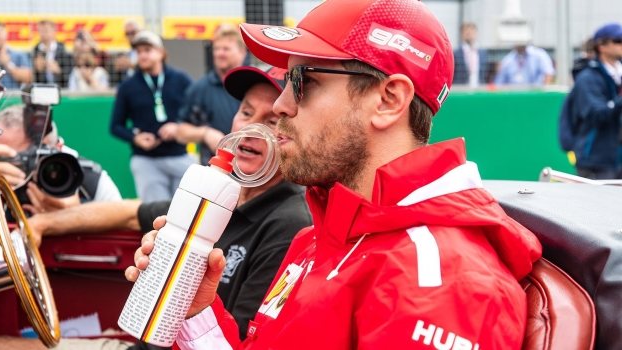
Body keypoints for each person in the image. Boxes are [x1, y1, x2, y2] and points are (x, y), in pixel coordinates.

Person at [128, 0, 542, 349]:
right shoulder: (323, 232)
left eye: (303, 81)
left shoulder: (440, 281)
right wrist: (198, 312)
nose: (282, 105)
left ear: (388, 100)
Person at [0, 66, 312, 350]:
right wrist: (43, 225)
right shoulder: (218, 196)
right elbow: (129, 212)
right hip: (140, 340)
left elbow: (241, 339)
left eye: (269, 122)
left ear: (290, 136)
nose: (250, 129)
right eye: (245, 112)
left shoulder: (289, 222)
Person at [0, 104, 121, 212]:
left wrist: (77, 216)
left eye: (31, 158)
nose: (18, 170)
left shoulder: (90, 181)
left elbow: (123, 225)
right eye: (6, 160)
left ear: (57, 149)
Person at [109, 31, 193, 202]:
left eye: (147, 50)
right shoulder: (128, 86)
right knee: (156, 214)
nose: (142, 55)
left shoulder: (181, 80)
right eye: (138, 52)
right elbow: (115, 126)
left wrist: (178, 128)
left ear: (161, 52)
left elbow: (197, 113)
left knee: (187, 209)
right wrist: (135, 137)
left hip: (179, 156)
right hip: (146, 160)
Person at [176, 25, 248, 165]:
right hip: (215, 169)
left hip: (254, 171)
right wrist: (205, 133)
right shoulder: (200, 88)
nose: (219, 53)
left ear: (242, 52)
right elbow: (180, 132)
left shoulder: (255, 85)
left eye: (226, 49)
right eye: (216, 49)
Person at [559, 23, 622, 179]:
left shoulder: (617, 74)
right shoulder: (588, 78)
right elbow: (596, 114)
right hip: (596, 163)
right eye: (618, 40)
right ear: (601, 46)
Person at [0, 21, 32, 90]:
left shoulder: (18, 55)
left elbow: (28, 78)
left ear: (5, 34)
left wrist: (8, 64)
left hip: (13, 98)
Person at [33, 20, 73, 88]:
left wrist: (58, 71)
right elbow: (31, 78)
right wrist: (36, 70)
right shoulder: (35, 51)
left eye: (46, 30)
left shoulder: (64, 52)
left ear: (54, 31)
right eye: (40, 31)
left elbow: (70, 76)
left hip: (61, 90)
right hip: (41, 90)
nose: (43, 34)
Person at [453, 22, 489, 87]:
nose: (469, 34)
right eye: (466, 32)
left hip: (479, 90)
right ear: (462, 34)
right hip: (461, 90)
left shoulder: (482, 53)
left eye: (472, 31)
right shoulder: (455, 54)